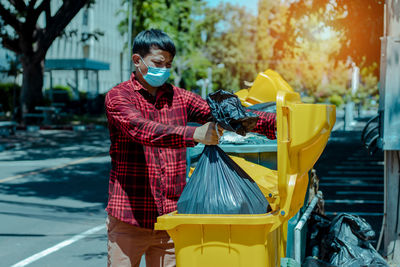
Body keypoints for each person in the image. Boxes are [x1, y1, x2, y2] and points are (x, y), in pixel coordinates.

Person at [105, 29, 276, 267]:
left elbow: (227, 113)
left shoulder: (180, 97)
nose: (163, 69)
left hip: (172, 220)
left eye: (168, 64)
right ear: (137, 60)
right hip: (129, 220)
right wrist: (194, 133)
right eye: (158, 62)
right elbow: (141, 129)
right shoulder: (118, 97)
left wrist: (275, 122)